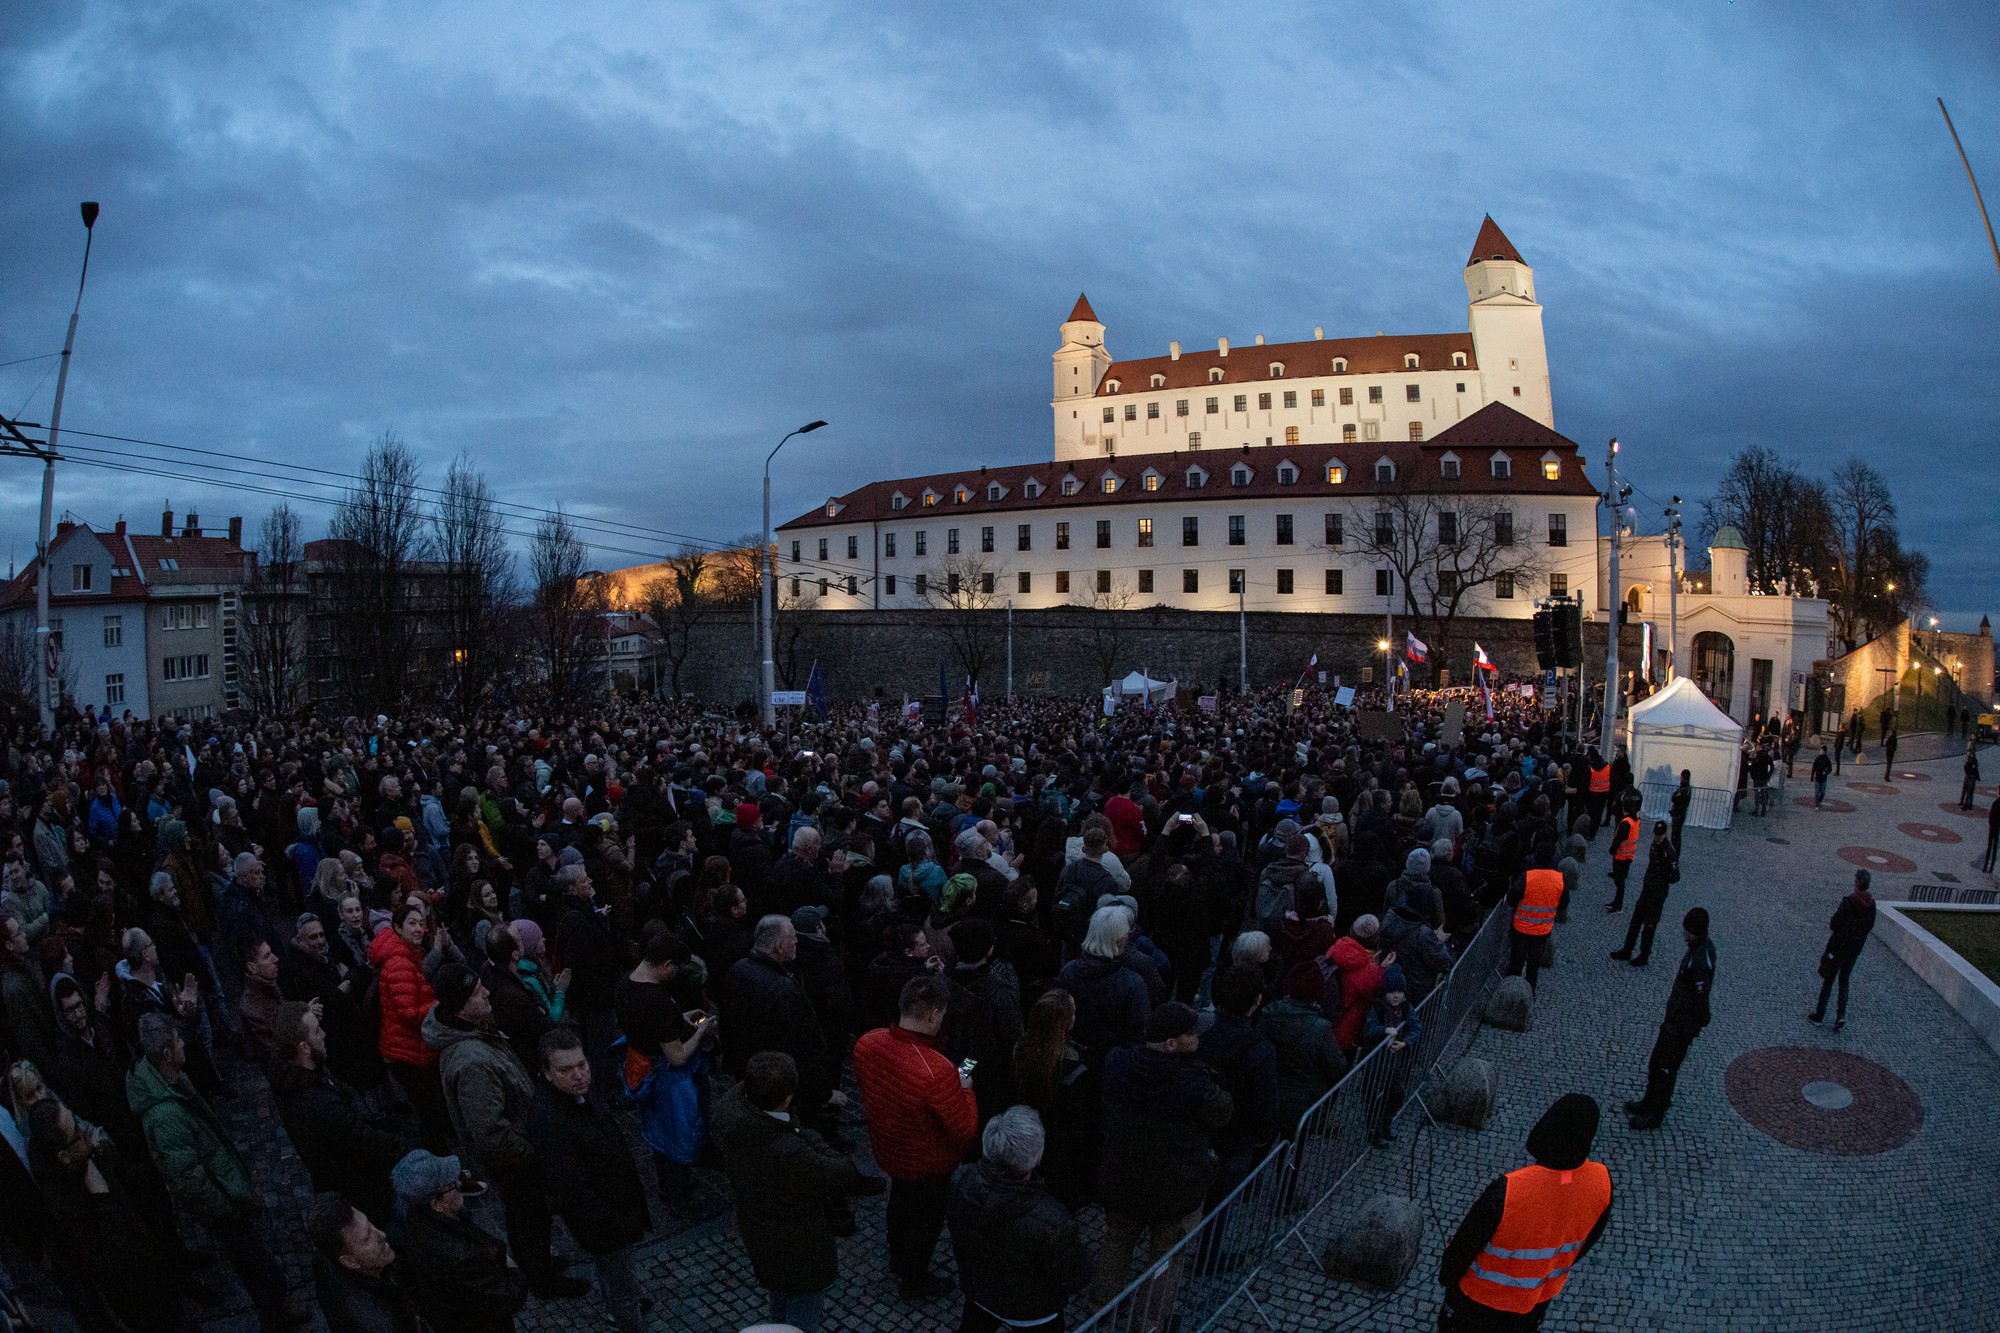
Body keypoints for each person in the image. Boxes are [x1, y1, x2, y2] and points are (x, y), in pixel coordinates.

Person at [127, 1012, 299, 1332]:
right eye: (178, 1041)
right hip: (222, 1206)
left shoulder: (171, 1079)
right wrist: (228, 1206)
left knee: (254, 1265)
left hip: (224, 1192)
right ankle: (275, 1320)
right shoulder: (164, 1114)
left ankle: (278, 1312)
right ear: (167, 1054)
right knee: (263, 1268)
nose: (183, 1045)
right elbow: (188, 1177)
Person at [424, 961, 586, 1300]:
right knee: (528, 1217)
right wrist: (532, 1152)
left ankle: (537, 1263)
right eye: (476, 991)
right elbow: (490, 1133)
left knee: (531, 1218)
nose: (485, 992)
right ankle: (542, 1280)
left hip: (519, 1149)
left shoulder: (473, 1030)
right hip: (515, 1160)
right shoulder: (471, 1062)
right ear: (460, 1008)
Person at [712, 1051, 886, 1333]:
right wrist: (812, 1139)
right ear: (787, 1098)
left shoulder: (733, 1116)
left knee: (779, 1293)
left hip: (759, 1227)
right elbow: (840, 1173)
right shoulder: (788, 1151)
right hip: (797, 1242)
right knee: (803, 1308)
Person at [1089, 1001, 1232, 1315]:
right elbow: (1223, 1111)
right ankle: (1151, 1321)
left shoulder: (1118, 1063)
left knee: (1116, 1244)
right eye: (1192, 1034)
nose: (1198, 1037)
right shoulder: (1194, 1084)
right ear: (1172, 1044)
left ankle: (1101, 1310)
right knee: (1165, 1261)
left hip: (1122, 1180)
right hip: (1175, 1190)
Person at [1437, 1093, 1612, 1331]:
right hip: (1535, 1300)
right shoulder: (1602, 1182)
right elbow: (1588, 1240)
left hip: (1477, 1300)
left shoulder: (1510, 1190)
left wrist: (1447, 1275)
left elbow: (1466, 1244)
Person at [853, 972, 979, 1300]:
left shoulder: (868, 1042)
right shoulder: (937, 1072)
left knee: (900, 1202)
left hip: (889, 1150)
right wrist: (965, 1085)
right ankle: (915, 1279)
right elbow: (964, 1127)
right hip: (929, 1163)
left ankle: (897, 1257)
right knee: (925, 1222)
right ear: (936, 1014)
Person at [524, 1026, 654, 1333]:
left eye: (582, 1065)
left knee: (613, 1273)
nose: (579, 1075)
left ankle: (617, 1307)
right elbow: (572, 1188)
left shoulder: (576, 1094)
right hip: (605, 1221)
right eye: (566, 1069)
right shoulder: (549, 1121)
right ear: (546, 1072)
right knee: (622, 1286)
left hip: (612, 1209)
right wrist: (613, 1222)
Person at [948, 1106, 1092, 1333]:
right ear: (1036, 1159)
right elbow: (1077, 1275)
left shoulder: (960, 1180)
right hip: (1033, 1313)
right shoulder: (1053, 1220)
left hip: (979, 1293)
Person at [270, 1000, 412, 1227]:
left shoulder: (296, 1071)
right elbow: (364, 1141)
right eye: (317, 1030)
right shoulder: (319, 1105)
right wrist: (407, 1150)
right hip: (361, 1188)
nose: (324, 1034)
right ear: (304, 1048)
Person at [614, 922, 721, 1217]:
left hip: (644, 1066)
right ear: (666, 964)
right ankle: (680, 1199)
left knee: (662, 1136)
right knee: (676, 1137)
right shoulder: (655, 998)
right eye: (675, 969)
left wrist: (680, 1018)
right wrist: (701, 1031)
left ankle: (670, 1188)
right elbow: (676, 1057)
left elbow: (649, 1026)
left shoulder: (627, 983)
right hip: (668, 1079)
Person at [719, 915, 838, 1136]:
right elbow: (803, 1044)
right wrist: (822, 1091)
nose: (797, 942)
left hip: (751, 1068)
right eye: (792, 938)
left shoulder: (738, 969)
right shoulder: (782, 989)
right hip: (778, 1077)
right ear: (778, 946)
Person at [393, 1148, 529, 1333]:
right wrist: (512, 1268)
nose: (459, 1183)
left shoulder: (416, 1219)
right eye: (451, 1184)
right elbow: (508, 1298)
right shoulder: (461, 1258)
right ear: (436, 1204)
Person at [370, 901, 451, 1152]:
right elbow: (407, 1014)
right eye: (412, 924)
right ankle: (442, 1168)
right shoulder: (399, 963)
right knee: (429, 1113)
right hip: (407, 1051)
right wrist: (439, 1005)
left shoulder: (407, 955)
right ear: (397, 927)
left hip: (409, 1047)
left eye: (421, 924)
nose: (419, 929)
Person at [1625, 908, 1715, 1130]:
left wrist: (1694, 1023)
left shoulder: (1700, 959)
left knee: (1666, 1069)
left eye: (1685, 928)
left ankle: (1656, 1113)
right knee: (1656, 1062)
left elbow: (1701, 999)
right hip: (1674, 1020)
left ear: (1692, 931)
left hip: (1681, 1026)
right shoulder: (1699, 948)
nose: (1682, 932)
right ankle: (1648, 1101)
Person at [304, 1192, 423, 1333]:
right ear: (349, 1261)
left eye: (370, 1224)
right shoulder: (380, 1325)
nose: (382, 1234)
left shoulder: (325, 1256)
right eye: (366, 1239)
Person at [1055, 905, 1151, 1069]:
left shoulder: (1068, 971)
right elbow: (1138, 1034)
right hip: (1112, 1065)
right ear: (1121, 940)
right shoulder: (1131, 983)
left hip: (1072, 1059)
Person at [1808, 869, 1877, 1032]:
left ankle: (1819, 1015)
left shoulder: (1849, 902)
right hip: (1854, 950)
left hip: (1839, 947)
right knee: (1844, 980)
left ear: (1856, 883)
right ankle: (1840, 1015)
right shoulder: (1871, 904)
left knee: (1829, 979)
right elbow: (1870, 926)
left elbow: (1835, 923)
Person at [1361, 963, 1422, 1147]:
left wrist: (1405, 1042)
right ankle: (1374, 1132)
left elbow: (1416, 1027)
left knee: (1396, 1096)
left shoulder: (1405, 1007)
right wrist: (1384, 1030)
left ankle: (1386, 1125)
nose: (1395, 996)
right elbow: (1368, 1030)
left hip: (1395, 1065)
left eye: (1399, 992)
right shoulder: (1378, 1008)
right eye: (1391, 992)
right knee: (1375, 1100)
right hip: (1376, 1065)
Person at [1610, 823, 1678, 967]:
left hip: (1657, 896)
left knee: (1649, 926)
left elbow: (1676, 876)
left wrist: (1661, 880)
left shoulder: (1669, 852)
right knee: (1635, 921)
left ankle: (1644, 955)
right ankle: (1627, 949)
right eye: (1656, 834)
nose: (1657, 838)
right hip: (1646, 891)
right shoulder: (1654, 845)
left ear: (1665, 834)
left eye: (1660, 835)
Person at [1505, 855, 1561, 992]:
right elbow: (1564, 902)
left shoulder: (1527, 877)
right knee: (1533, 966)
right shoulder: (1559, 879)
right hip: (1543, 930)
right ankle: (1530, 992)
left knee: (1517, 962)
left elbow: (1511, 898)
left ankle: (1510, 990)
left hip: (1521, 928)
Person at [1603, 800, 1639, 912]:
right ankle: (1617, 903)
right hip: (1628, 856)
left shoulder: (1625, 823)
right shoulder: (1635, 821)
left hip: (1621, 856)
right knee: (1620, 881)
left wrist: (1612, 850)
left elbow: (1618, 839)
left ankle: (1618, 905)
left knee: (1619, 882)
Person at [1963, 746, 1982, 812]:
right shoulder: (1971, 760)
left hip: (1971, 777)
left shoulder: (1973, 761)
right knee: (1969, 792)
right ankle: (1969, 805)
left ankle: (1967, 805)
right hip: (1970, 776)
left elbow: (1972, 769)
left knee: (1969, 792)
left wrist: (1970, 775)